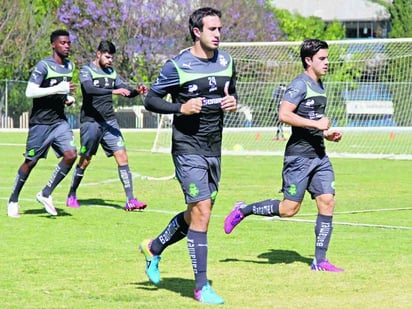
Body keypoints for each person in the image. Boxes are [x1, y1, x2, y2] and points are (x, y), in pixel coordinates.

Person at [138, 7, 237, 304]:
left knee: (195, 214)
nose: (218, 34)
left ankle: (154, 247)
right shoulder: (177, 66)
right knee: (203, 212)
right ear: (197, 31)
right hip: (187, 147)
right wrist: (179, 108)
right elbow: (151, 100)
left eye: (220, 29)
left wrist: (232, 101)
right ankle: (200, 287)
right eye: (212, 29)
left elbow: (232, 91)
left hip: (213, 148)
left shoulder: (227, 61)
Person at [224, 39, 344, 272]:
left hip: (319, 156)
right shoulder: (299, 84)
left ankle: (320, 261)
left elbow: (312, 124)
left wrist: (327, 133)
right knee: (289, 209)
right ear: (308, 60)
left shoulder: (320, 86)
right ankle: (243, 210)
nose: (327, 62)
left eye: (327, 58)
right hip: (298, 158)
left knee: (327, 201)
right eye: (322, 58)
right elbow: (284, 114)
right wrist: (317, 124)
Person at [65, 40, 147, 211]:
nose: (110, 61)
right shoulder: (86, 71)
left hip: (109, 121)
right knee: (85, 160)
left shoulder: (112, 72)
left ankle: (130, 199)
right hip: (91, 122)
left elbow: (124, 90)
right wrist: (112, 91)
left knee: (122, 156)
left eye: (112, 58)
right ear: (98, 54)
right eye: (107, 57)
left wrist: (136, 92)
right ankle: (71, 194)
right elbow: (89, 89)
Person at [7, 29, 77, 217]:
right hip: (40, 124)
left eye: (68, 42)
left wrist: (67, 97)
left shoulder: (70, 67)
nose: (67, 46)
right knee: (31, 162)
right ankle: (13, 199)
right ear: (53, 44)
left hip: (59, 122)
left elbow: (62, 91)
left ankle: (46, 193)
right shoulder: (43, 66)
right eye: (63, 43)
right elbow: (30, 92)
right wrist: (58, 89)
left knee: (71, 155)